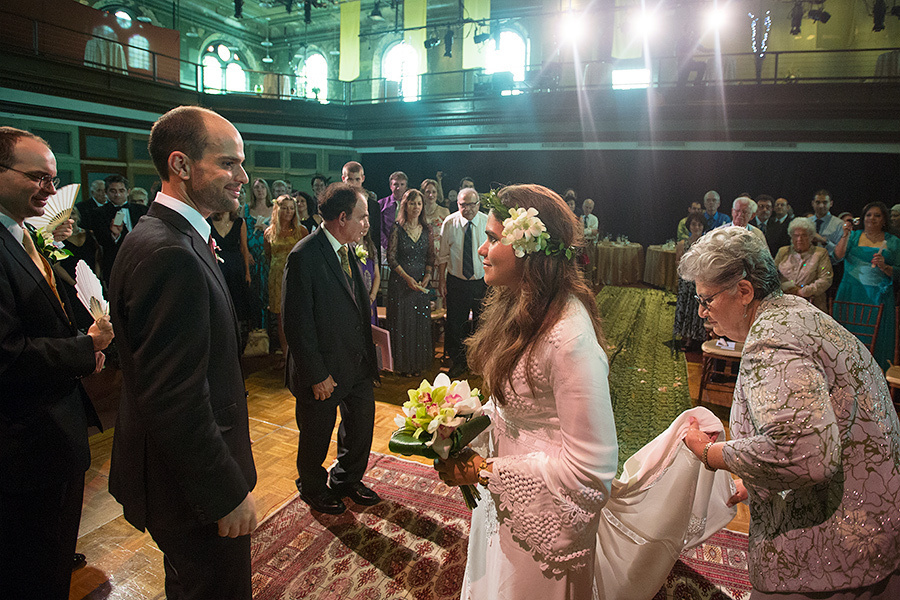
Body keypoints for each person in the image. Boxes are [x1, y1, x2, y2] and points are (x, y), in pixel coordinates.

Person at [679, 226, 900, 598]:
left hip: (833, 553)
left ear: (745, 291)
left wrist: (709, 452)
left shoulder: (772, 338)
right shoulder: (794, 312)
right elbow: (826, 424)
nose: (702, 313)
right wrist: (754, 480)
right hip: (871, 518)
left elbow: (807, 454)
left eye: (707, 300)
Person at [434, 184, 619, 598]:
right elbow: (515, 407)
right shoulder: (518, 304)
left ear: (528, 250)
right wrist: (461, 420)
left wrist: (484, 471)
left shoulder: (569, 339)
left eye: (493, 238)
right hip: (507, 498)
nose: (483, 249)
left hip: (546, 516)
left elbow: (592, 474)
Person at [108, 106, 258, 600]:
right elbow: (174, 395)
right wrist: (223, 495)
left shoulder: (173, 236)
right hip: (192, 491)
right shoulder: (168, 252)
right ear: (181, 165)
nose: (243, 175)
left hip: (187, 479)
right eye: (229, 163)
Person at [0, 126, 114, 600]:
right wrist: (84, 348)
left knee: (50, 550)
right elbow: (7, 354)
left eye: (53, 179)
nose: (50, 191)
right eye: (38, 178)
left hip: (52, 429)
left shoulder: (24, 233)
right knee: (29, 567)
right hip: (23, 438)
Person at [282, 182, 380, 516]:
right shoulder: (304, 256)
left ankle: (346, 479)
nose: (367, 224)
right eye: (362, 217)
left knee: (361, 426)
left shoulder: (348, 248)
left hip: (357, 362)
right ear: (342, 217)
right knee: (316, 435)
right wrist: (316, 374)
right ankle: (312, 487)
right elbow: (296, 323)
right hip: (323, 368)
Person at [832, 201, 900, 369]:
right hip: (850, 292)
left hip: (878, 297)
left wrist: (885, 266)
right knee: (846, 338)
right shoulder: (854, 236)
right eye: (868, 215)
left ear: (884, 219)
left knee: (874, 339)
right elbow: (838, 256)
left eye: (877, 215)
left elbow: (898, 271)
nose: (872, 219)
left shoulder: (894, 242)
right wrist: (845, 234)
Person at [438, 188, 488, 378]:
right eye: (462, 205)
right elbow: (442, 255)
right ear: (457, 204)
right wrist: (441, 281)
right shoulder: (450, 222)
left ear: (478, 204)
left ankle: (479, 363)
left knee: (482, 323)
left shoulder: (486, 221)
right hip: (456, 281)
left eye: (470, 204)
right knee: (455, 324)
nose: (466, 209)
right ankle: (459, 362)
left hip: (482, 282)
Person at [386, 188, 435, 376]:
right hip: (400, 284)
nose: (416, 207)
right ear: (405, 205)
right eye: (412, 203)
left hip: (421, 286)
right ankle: (402, 366)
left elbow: (431, 258)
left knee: (418, 325)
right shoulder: (397, 228)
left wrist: (426, 279)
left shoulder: (427, 229)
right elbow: (391, 259)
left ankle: (417, 365)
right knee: (402, 324)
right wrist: (407, 279)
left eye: (419, 203)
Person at [265, 194, 308, 366]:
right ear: (278, 209)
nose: (289, 211)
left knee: (298, 316)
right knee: (281, 318)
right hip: (276, 277)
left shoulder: (301, 230)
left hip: (296, 277)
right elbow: (268, 255)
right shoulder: (269, 232)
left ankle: (300, 356)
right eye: (285, 208)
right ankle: (285, 355)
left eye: (291, 208)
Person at [53, 204, 103, 331]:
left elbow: (97, 258)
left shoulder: (90, 234)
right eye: (67, 215)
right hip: (70, 285)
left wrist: (95, 279)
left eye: (73, 214)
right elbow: (57, 266)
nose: (71, 217)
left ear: (78, 216)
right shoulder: (57, 239)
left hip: (92, 283)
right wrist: (75, 284)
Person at [210, 207, 253, 349]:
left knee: (237, 303)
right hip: (217, 266)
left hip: (236, 268)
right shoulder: (209, 221)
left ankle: (237, 341)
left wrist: (247, 272)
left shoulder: (240, 222)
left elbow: (244, 248)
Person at [95, 174, 149, 283]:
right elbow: (101, 241)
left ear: (128, 192)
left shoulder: (142, 210)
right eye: (113, 191)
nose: (117, 194)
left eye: (121, 190)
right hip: (115, 262)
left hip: (143, 260)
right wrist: (115, 236)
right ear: (106, 192)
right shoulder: (99, 213)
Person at [774, 218, 833, 312]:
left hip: (811, 305)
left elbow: (826, 279)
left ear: (811, 237)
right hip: (784, 303)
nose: (799, 239)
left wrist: (802, 292)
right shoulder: (783, 252)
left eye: (804, 235)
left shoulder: (820, 253)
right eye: (796, 235)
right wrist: (785, 288)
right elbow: (772, 276)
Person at [673, 212, 707, 350]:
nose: (696, 227)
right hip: (686, 281)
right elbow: (677, 262)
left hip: (701, 281)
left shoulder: (707, 243)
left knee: (697, 309)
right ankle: (686, 337)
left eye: (699, 224)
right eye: (693, 224)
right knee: (685, 308)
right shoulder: (682, 243)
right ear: (689, 226)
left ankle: (697, 337)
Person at [245, 177, 272, 332]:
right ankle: (255, 332)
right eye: (256, 188)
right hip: (251, 256)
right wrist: (246, 252)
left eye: (262, 187)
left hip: (267, 255)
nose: (260, 190)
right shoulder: (247, 209)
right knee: (253, 295)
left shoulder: (273, 208)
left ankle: (267, 332)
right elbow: (242, 232)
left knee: (267, 295)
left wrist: (266, 228)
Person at [342, 161, 380, 265]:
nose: (353, 183)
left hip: (367, 254)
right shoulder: (338, 205)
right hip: (343, 253)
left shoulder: (373, 206)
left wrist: (377, 266)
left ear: (363, 178)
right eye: (350, 179)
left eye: (357, 179)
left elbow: (376, 237)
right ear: (343, 179)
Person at [379, 171, 408, 253]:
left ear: (406, 187)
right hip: (385, 248)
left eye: (402, 184)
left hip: (406, 248)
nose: (399, 188)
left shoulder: (411, 205)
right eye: (396, 184)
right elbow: (378, 228)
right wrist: (387, 245)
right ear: (391, 186)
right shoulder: (381, 204)